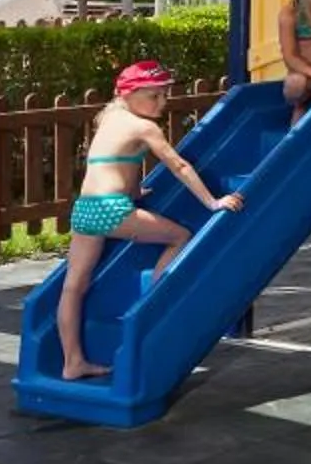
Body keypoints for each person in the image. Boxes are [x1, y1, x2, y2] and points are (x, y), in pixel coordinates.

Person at [57, 62, 242, 382]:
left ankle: (72, 362)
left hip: (85, 208)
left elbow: (115, 164)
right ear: (128, 95)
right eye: (153, 96)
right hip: (111, 208)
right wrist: (213, 202)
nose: (162, 102)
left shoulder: (110, 117)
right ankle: (151, 306)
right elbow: (179, 166)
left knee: (73, 287)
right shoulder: (145, 128)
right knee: (180, 236)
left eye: (164, 95)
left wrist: (133, 191)